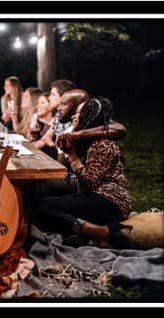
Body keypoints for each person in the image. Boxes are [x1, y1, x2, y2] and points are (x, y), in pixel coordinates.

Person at [31, 97, 132, 248]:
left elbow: (90, 183)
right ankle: (82, 235)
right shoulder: (89, 141)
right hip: (96, 195)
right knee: (44, 204)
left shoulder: (102, 144)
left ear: (89, 117)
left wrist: (71, 155)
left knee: (41, 207)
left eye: (78, 113)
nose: (73, 116)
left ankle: (100, 232)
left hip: (110, 201)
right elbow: (82, 183)